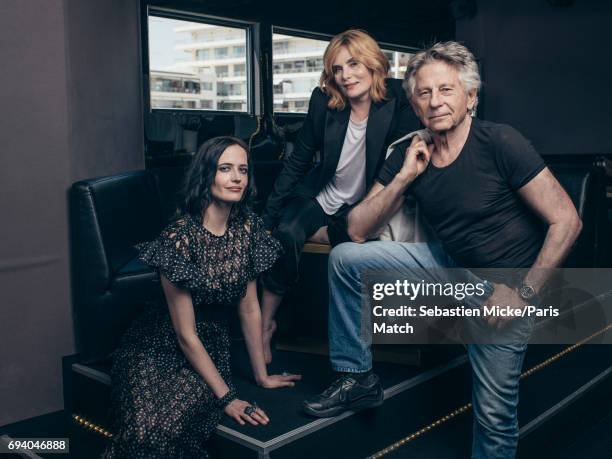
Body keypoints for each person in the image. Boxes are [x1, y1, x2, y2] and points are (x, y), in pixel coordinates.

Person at [303, 42, 582, 459]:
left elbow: (567, 220)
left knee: (493, 416)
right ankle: (356, 378)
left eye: (447, 90)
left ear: (470, 97)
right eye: (425, 93)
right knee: (346, 260)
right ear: (414, 105)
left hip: (502, 287)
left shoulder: (500, 142)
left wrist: (523, 295)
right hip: (446, 264)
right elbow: (356, 232)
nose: (436, 102)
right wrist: (403, 179)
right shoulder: (407, 151)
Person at [103, 136, 301, 458]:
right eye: (225, 169)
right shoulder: (178, 238)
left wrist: (261, 376)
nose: (236, 178)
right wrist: (228, 398)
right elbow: (184, 334)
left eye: (243, 170)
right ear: (206, 174)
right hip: (157, 346)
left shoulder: (248, 229)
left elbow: (249, 308)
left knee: (168, 429)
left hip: (209, 347)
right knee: (142, 433)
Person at [260, 29, 420, 363]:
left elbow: (401, 161)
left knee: (356, 240)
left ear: (373, 64)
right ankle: (265, 324)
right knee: (286, 233)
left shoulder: (398, 99)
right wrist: (267, 216)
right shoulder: (323, 101)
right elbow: (299, 159)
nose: (345, 76)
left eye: (353, 64)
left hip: (366, 203)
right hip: (322, 196)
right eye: (337, 68)